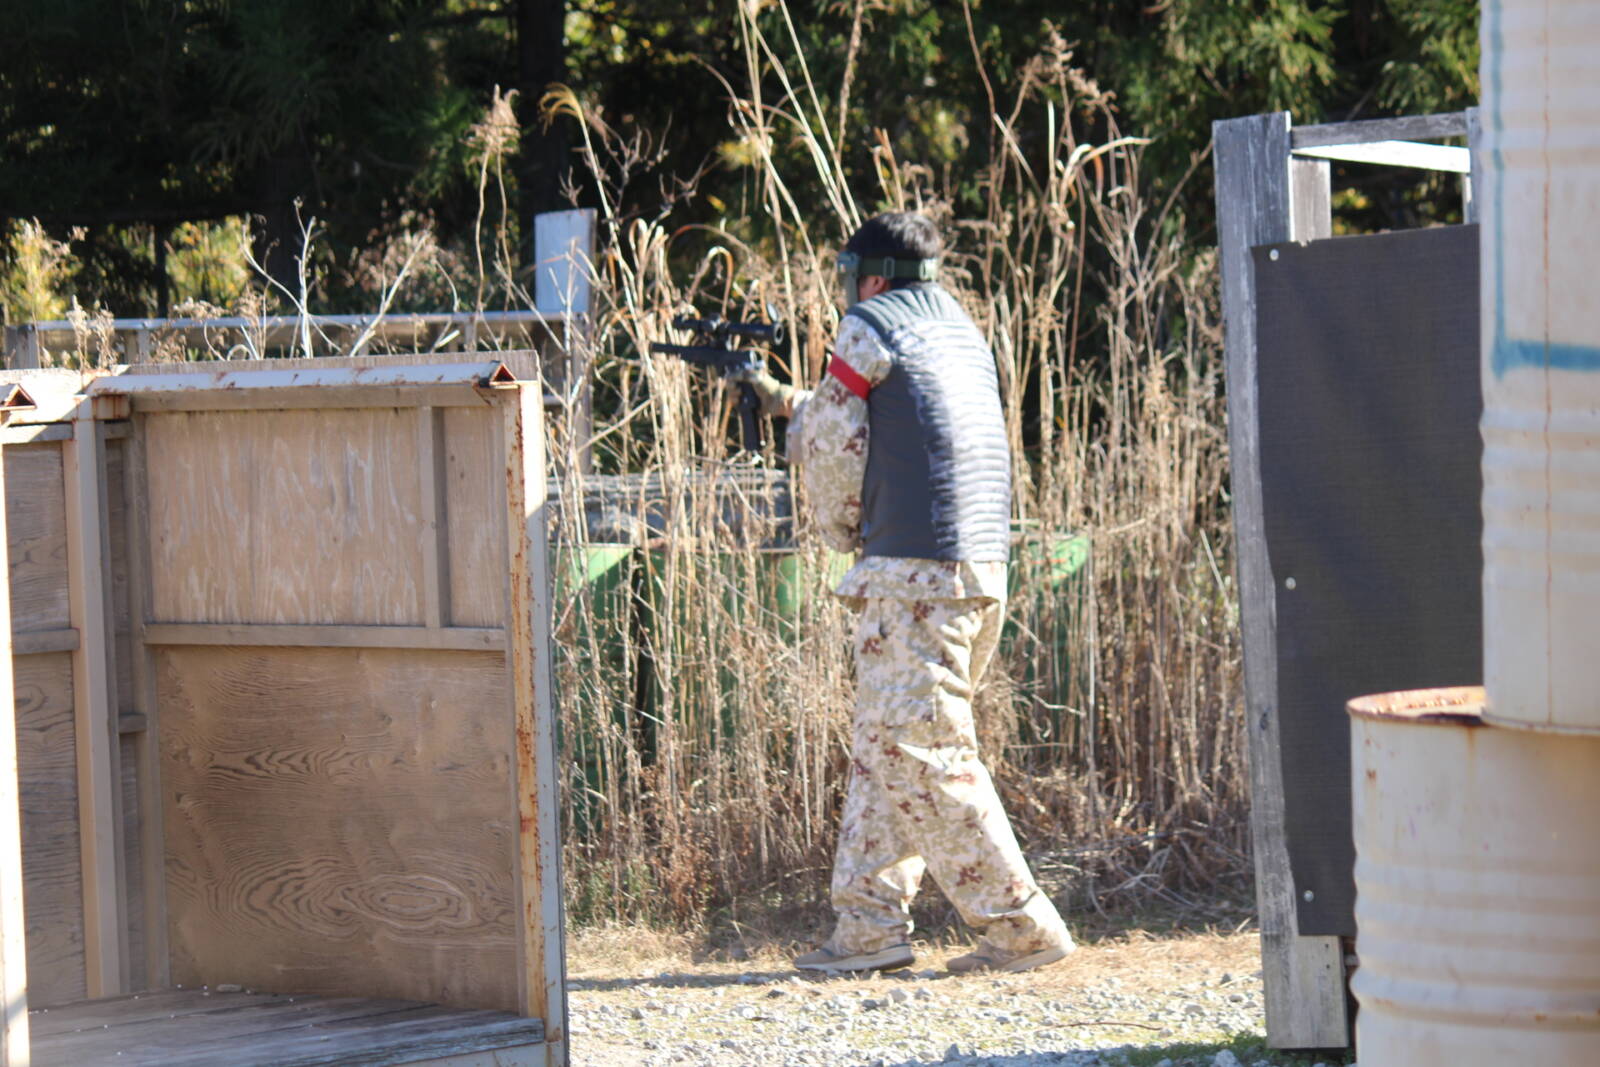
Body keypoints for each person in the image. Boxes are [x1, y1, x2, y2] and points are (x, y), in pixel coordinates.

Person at [740, 212, 1075, 975]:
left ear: (872, 277)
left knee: (924, 754)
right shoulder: (957, 327)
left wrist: (839, 528)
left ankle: (1021, 927)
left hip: (912, 576)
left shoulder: (867, 324)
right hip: (978, 571)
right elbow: (895, 421)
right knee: (884, 750)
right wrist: (789, 400)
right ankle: (867, 928)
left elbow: (834, 442)